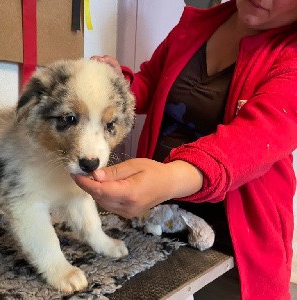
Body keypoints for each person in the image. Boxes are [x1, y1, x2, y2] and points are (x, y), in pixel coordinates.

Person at [72, 0, 297, 299]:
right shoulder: (197, 24)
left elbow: (253, 139)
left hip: (235, 240)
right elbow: (151, 81)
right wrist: (117, 86)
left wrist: (168, 179)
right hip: (158, 217)